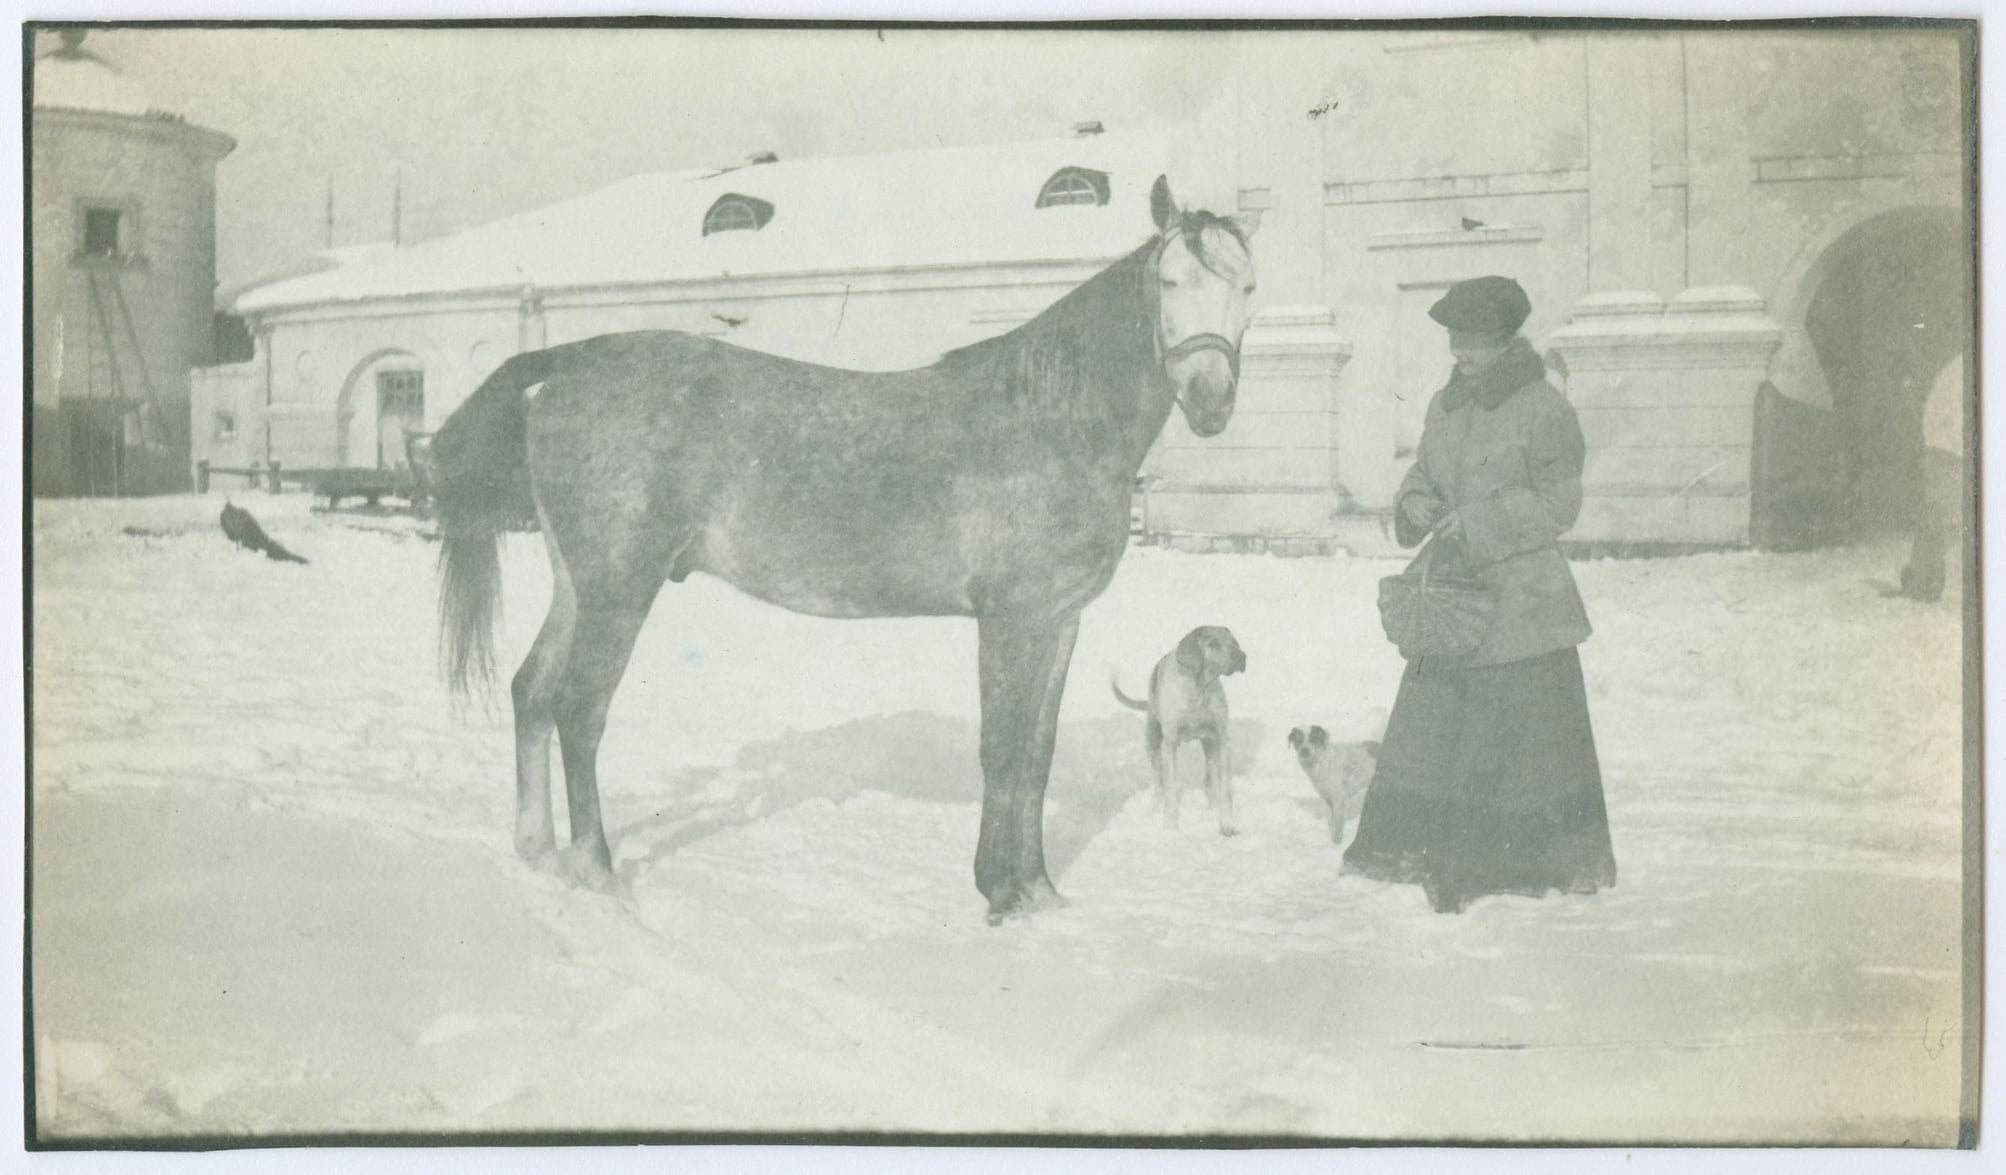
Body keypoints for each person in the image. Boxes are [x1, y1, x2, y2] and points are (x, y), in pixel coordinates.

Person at [1342, 275, 1618, 914]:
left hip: (1524, 611)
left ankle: (1512, 863)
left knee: (1516, 743)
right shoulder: (1446, 406)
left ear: (1505, 341)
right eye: (1454, 342)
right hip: (1452, 601)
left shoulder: (1545, 409)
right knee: (1433, 730)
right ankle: (1417, 850)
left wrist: (1479, 520)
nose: (1459, 355)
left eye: (1472, 343)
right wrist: (1414, 501)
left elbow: (1558, 504)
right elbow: (1422, 471)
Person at [1895, 355, 1966, 604]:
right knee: (1938, 515)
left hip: (1945, 448)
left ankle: (1924, 579)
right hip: (1944, 450)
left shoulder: (1960, 366)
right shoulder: (1962, 368)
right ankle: (1924, 580)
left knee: (1938, 516)